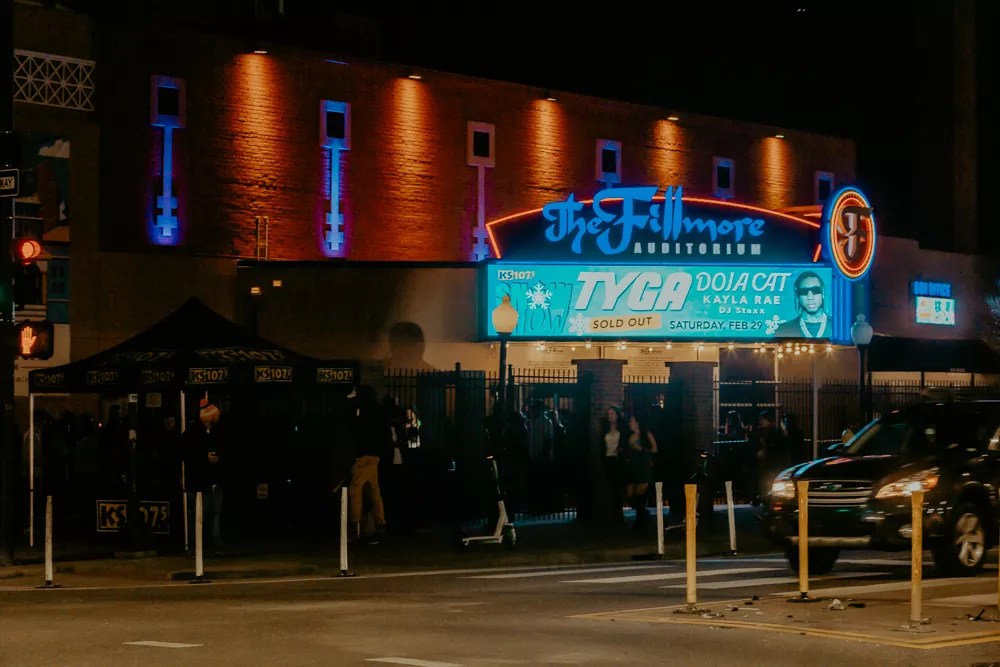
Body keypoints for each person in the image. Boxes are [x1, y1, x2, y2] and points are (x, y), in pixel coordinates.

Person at [183, 395, 227, 555]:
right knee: (199, 514)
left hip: (212, 480)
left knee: (212, 513)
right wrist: (205, 458)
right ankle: (197, 545)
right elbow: (186, 454)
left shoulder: (214, 432)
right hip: (200, 481)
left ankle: (212, 543)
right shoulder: (193, 432)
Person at [347, 384, 391, 543]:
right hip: (375, 455)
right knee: (374, 491)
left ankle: (354, 526)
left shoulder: (361, 409)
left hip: (363, 455)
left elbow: (356, 431)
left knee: (355, 490)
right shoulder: (379, 410)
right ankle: (380, 525)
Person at [774, 271, 832, 339]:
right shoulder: (784, 330)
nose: (810, 297)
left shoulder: (839, 326)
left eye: (815, 290)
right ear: (798, 295)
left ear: (823, 293)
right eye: (804, 291)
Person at [623, 414, 657, 529]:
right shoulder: (629, 436)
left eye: (632, 421)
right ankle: (643, 516)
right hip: (633, 466)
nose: (630, 424)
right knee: (631, 493)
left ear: (637, 423)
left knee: (641, 494)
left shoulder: (645, 434)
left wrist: (642, 450)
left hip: (643, 466)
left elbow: (654, 449)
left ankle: (641, 520)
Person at [599, 406, 625, 524]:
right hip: (608, 459)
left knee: (618, 486)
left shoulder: (622, 429)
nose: (610, 416)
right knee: (610, 486)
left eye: (612, 413)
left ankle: (618, 511)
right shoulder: (605, 429)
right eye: (608, 414)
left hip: (618, 460)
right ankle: (613, 511)